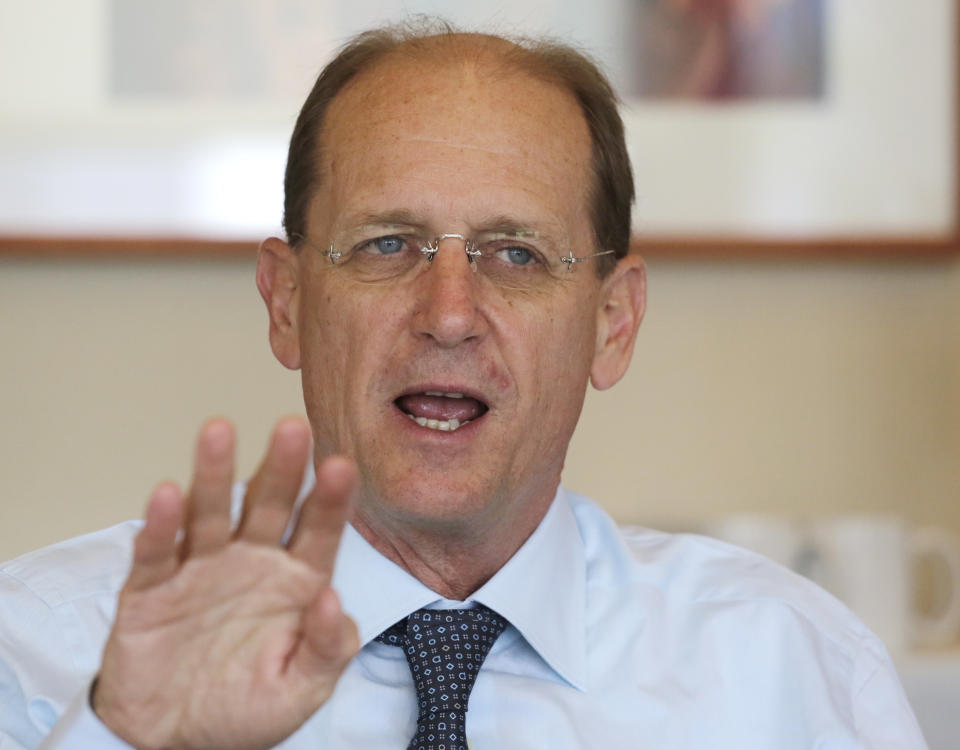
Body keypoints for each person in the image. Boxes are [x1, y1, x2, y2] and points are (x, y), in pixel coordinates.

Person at [0, 21, 927, 750]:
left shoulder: (788, 666)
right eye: (387, 245)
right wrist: (127, 742)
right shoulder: (44, 648)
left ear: (614, 322)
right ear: (286, 302)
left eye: (516, 254)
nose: (448, 312)